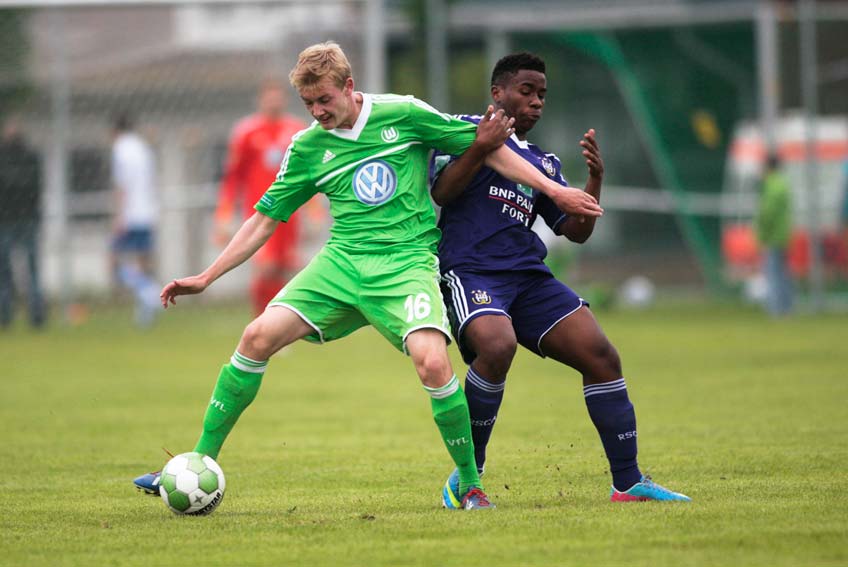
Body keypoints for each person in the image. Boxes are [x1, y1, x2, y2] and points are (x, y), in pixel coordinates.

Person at [133, 41, 603, 510]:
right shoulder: (307, 147)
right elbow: (263, 218)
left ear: (349, 87)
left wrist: (553, 192)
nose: (317, 112)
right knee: (255, 337)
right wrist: (207, 277)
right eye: (309, 104)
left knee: (434, 364)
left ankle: (470, 485)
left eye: (324, 100)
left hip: (406, 264)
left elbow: (487, 146)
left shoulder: (404, 113)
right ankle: (199, 461)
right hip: (341, 264)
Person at [430, 52, 690, 505]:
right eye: (526, 91)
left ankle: (627, 483)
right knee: (496, 345)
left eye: (542, 95)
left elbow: (576, 232)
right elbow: (442, 191)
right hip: (472, 270)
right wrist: (478, 145)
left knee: (602, 356)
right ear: (498, 93)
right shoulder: (463, 129)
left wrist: (594, 181)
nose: (536, 102)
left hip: (528, 277)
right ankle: (467, 479)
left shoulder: (545, 164)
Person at [214, 80, 309, 316]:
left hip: (291, 213)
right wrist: (224, 215)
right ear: (260, 100)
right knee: (265, 266)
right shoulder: (246, 132)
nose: (274, 102)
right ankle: (262, 320)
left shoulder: (296, 130)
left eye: (278, 97)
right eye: (269, 97)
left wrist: (314, 211)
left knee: (283, 268)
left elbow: (308, 174)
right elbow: (233, 178)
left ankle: (278, 324)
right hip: (260, 210)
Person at [111, 112, 161, 327]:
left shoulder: (120, 149)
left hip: (131, 214)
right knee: (142, 262)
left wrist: (119, 216)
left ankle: (150, 292)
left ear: (114, 131)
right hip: (148, 211)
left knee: (113, 260)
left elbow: (122, 186)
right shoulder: (143, 148)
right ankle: (144, 314)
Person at [0, 116, 45, 330]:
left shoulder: (24, 157)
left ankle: (12, 315)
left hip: (12, 219)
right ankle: (18, 314)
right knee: (21, 270)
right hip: (20, 219)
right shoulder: (30, 157)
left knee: (12, 271)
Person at [755, 153, 793, 316]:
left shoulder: (771, 185)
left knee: (773, 273)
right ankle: (786, 306)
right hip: (783, 234)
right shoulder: (783, 184)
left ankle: (776, 309)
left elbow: (767, 213)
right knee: (782, 273)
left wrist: (760, 233)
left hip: (773, 236)